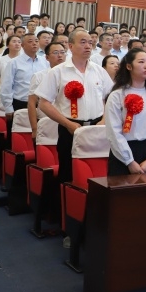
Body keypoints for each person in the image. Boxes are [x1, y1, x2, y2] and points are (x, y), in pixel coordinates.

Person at [36, 30, 112, 184]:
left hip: (97, 126)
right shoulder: (58, 72)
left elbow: (109, 98)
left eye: (90, 42)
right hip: (69, 127)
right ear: (70, 46)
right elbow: (43, 103)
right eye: (83, 42)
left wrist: (104, 119)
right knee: (68, 173)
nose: (88, 46)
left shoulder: (99, 71)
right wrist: (67, 124)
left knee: (97, 174)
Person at [105, 50, 146, 176]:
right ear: (129, 66)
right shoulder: (117, 95)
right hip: (122, 154)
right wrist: (129, 161)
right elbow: (114, 132)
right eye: (141, 62)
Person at [0, 33, 47, 116]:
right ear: (22, 45)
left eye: (36, 41)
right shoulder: (14, 62)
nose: (34, 43)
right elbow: (6, 85)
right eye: (30, 41)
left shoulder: (45, 61)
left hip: (41, 103)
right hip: (20, 103)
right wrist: (8, 107)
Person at [27, 41, 66, 141]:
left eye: (62, 52)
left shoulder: (72, 75)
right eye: (56, 53)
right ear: (47, 57)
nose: (60, 55)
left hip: (66, 121)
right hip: (45, 121)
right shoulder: (39, 76)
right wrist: (34, 128)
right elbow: (31, 103)